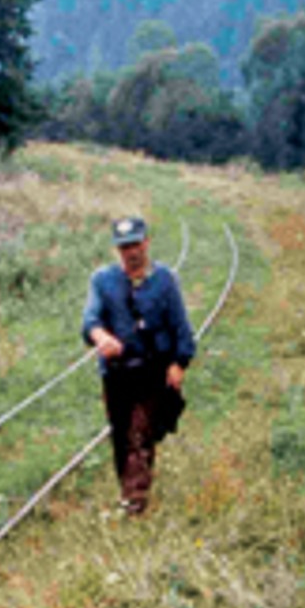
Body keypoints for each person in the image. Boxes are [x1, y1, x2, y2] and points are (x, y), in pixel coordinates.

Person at [80, 216, 196, 516]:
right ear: (117, 250)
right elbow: (90, 321)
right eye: (124, 247)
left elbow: (181, 328)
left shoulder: (165, 281)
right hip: (117, 373)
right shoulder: (102, 281)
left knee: (140, 433)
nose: (131, 252)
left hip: (153, 372)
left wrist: (179, 364)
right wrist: (101, 337)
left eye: (135, 244)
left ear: (146, 242)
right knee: (121, 434)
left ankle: (134, 503)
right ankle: (129, 492)